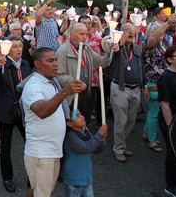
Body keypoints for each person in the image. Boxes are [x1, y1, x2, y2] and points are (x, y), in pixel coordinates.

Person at [21, 47, 84, 197]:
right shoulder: (33, 85)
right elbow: (42, 111)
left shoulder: (51, 83)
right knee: (43, 193)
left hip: (52, 151)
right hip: (41, 153)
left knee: (38, 190)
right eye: (50, 61)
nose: (55, 64)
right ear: (37, 64)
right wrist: (64, 92)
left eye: (55, 60)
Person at [0, 35, 32, 193]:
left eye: (20, 46)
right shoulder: (3, 64)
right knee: (6, 146)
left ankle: (32, 176)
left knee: (31, 144)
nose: (19, 49)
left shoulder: (25, 63)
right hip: (7, 110)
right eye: (15, 46)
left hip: (24, 110)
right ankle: (7, 177)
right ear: (8, 49)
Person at [56, 23, 116, 126]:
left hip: (86, 92)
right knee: (73, 124)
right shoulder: (63, 51)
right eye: (81, 34)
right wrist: (75, 82)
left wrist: (110, 52)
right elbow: (57, 76)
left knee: (84, 122)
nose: (84, 37)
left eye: (86, 34)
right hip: (71, 96)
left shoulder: (86, 48)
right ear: (72, 35)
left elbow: (101, 62)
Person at [109, 23, 149, 163]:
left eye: (132, 30)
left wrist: (145, 86)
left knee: (131, 121)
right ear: (122, 33)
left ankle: (122, 144)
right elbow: (118, 45)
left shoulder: (137, 48)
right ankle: (118, 149)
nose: (130, 33)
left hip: (135, 88)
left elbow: (142, 67)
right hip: (121, 88)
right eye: (127, 30)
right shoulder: (115, 45)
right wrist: (127, 33)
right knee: (121, 120)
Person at [64, 110, 107, 197]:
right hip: (74, 180)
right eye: (78, 116)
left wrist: (102, 141)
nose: (82, 117)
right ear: (69, 124)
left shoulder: (84, 131)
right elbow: (86, 148)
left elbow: (95, 149)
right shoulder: (71, 136)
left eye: (81, 114)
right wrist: (98, 135)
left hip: (87, 179)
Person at [142, 21, 169, 152]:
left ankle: (147, 133)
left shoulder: (160, 44)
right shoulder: (149, 43)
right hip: (153, 81)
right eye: (159, 31)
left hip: (160, 81)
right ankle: (152, 141)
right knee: (154, 112)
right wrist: (168, 22)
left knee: (153, 111)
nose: (162, 33)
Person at [158, 45, 176, 197]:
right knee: (173, 152)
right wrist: (171, 127)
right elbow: (165, 105)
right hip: (172, 121)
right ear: (170, 60)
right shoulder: (166, 77)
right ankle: (171, 185)